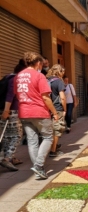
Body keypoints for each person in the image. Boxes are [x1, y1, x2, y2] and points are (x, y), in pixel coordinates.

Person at [14, 51, 58, 179]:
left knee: (32, 141)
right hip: (39, 112)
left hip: (24, 112)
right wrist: (54, 112)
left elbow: (17, 95)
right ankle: (39, 165)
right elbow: (45, 97)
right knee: (48, 137)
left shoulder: (18, 76)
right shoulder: (39, 76)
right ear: (38, 63)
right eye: (42, 64)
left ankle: (38, 171)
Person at [0, 59, 26, 171]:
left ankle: (11, 158)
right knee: (17, 135)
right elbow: (10, 95)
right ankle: (7, 158)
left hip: (2, 110)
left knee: (6, 135)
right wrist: (7, 110)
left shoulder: (7, 77)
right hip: (11, 111)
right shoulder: (15, 79)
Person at [46, 64, 66, 157]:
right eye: (63, 72)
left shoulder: (46, 80)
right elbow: (62, 98)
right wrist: (65, 109)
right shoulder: (59, 82)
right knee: (57, 130)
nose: (63, 74)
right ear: (59, 71)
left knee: (48, 130)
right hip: (57, 108)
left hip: (47, 108)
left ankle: (50, 148)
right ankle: (53, 151)